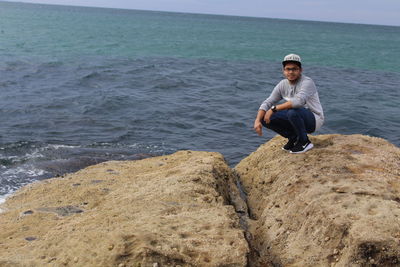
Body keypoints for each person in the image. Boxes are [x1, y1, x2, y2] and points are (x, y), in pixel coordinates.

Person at [253, 54, 324, 153]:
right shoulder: (283, 84)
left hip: (314, 119)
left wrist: (274, 109)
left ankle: (305, 142)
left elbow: (298, 102)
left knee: (292, 112)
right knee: (264, 118)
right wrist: (257, 120)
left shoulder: (307, 82)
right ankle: (293, 137)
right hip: (296, 116)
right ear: (283, 71)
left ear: (300, 70)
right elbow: (268, 102)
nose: (291, 72)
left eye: (294, 69)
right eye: (288, 69)